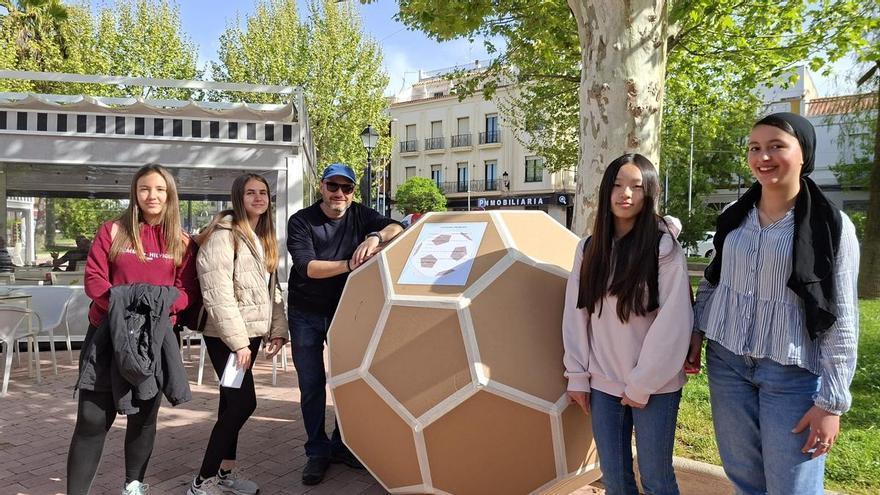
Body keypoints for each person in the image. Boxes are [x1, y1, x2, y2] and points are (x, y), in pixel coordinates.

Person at [690, 113, 860, 495]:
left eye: (776, 146)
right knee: (744, 480)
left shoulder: (833, 226)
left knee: (793, 488)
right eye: (755, 148)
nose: (762, 156)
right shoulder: (734, 217)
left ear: (804, 155)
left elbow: (843, 316)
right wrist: (696, 332)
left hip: (791, 374)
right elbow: (715, 280)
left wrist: (832, 403)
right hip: (727, 364)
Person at [562, 153, 693, 495]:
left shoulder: (663, 248)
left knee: (657, 479)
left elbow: (674, 320)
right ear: (606, 191)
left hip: (655, 387)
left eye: (637, 187)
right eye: (618, 185)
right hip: (603, 384)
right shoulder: (589, 249)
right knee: (615, 480)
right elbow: (577, 314)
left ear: (649, 194)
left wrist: (641, 383)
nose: (626, 194)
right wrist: (577, 374)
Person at [68, 163, 199, 495]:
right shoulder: (113, 231)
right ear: (135, 193)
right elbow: (94, 280)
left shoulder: (182, 240)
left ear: (169, 194)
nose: (152, 195)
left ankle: (134, 485)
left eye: (159, 189)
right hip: (107, 337)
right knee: (92, 420)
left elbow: (185, 292)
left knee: (143, 419)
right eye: (144, 189)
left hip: (153, 341)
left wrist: (155, 307)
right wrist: (125, 307)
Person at [287, 163, 403, 485]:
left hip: (347, 312)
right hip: (305, 313)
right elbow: (307, 267)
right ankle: (316, 451)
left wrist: (375, 236)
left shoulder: (361, 214)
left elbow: (398, 228)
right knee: (311, 386)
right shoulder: (301, 221)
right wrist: (353, 262)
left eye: (346, 188)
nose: (339, 194)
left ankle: (342, 444)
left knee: (347, 381)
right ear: (321, 187)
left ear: (353, 192)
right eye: (333, 186)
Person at [187, 174, 289, 495]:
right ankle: (202, 482)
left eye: (263, 193)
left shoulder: (262, 236)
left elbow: (270, 291)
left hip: (250, 337)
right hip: (226, 338)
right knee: (244, 403)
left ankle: (224, 474)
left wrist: (278, 330)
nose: (259, 198)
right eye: (251, 193)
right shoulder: (224, 235)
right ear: (238, 197)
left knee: (230, 404)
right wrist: (239, 343)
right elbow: (218, 293)